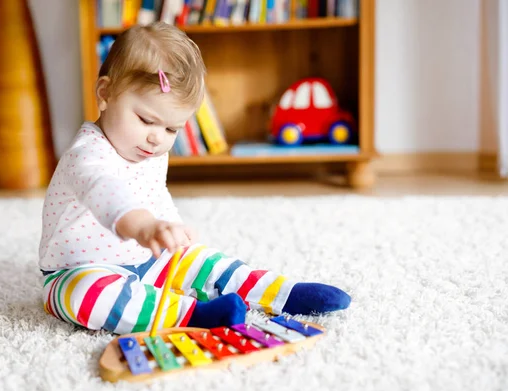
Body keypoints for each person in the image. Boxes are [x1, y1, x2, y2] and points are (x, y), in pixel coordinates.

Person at [38, 22, 350, 335]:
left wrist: (172, 227)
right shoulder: (87, 154)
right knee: (85, 297)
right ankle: (192, 315)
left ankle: (281, 293)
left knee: (205, 262)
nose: (156, 139)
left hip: (147, 259)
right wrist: (144, 226)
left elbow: (155, 194)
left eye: (172, 129)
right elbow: (106, 192)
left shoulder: (150, 152)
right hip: (80, 269)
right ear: (104, 94)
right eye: (146, 120)